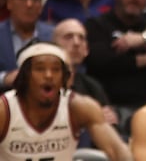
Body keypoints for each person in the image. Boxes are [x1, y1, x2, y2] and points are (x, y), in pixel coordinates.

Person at [0, 43, 132, 161]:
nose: (49, 75)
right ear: (25, 75)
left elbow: (117, 150)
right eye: (40, 69)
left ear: (65, 76)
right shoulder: (4, 109)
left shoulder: (79, 106)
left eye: (56, 69)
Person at [0, 0, 55, 84]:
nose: (29, 4)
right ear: (10, 2)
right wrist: (5, 78)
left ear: (40, 7)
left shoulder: (53, 35)